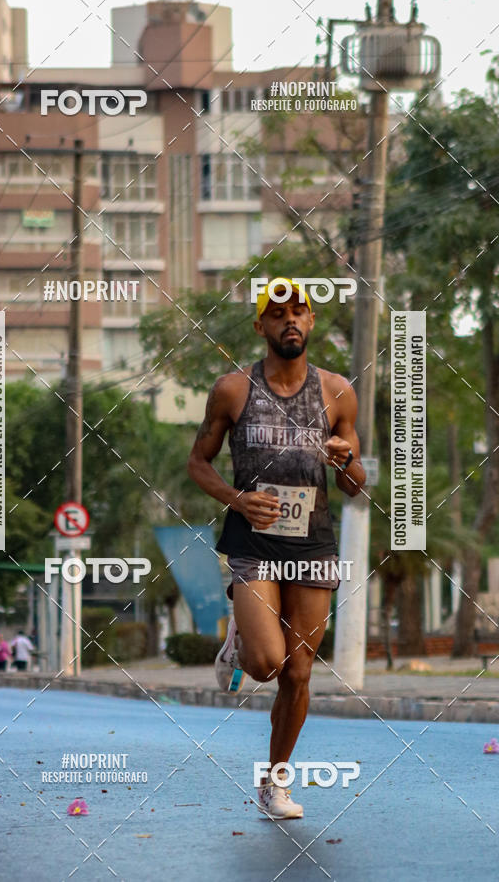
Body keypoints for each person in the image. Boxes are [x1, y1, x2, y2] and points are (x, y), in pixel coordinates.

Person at [187, 278, 366, 820]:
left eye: (300, 312)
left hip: (312, 545)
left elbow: (355, 485)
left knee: (300, 672)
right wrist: (237, 499)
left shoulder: (337, 392)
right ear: (261, 325)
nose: (290, 320)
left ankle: (275, 783)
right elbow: (199, 462)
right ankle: (241, 633)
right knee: (266, 664)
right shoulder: (233, 390)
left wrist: (344, 461)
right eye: (278, 312)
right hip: (254, 542)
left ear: (311, 323)